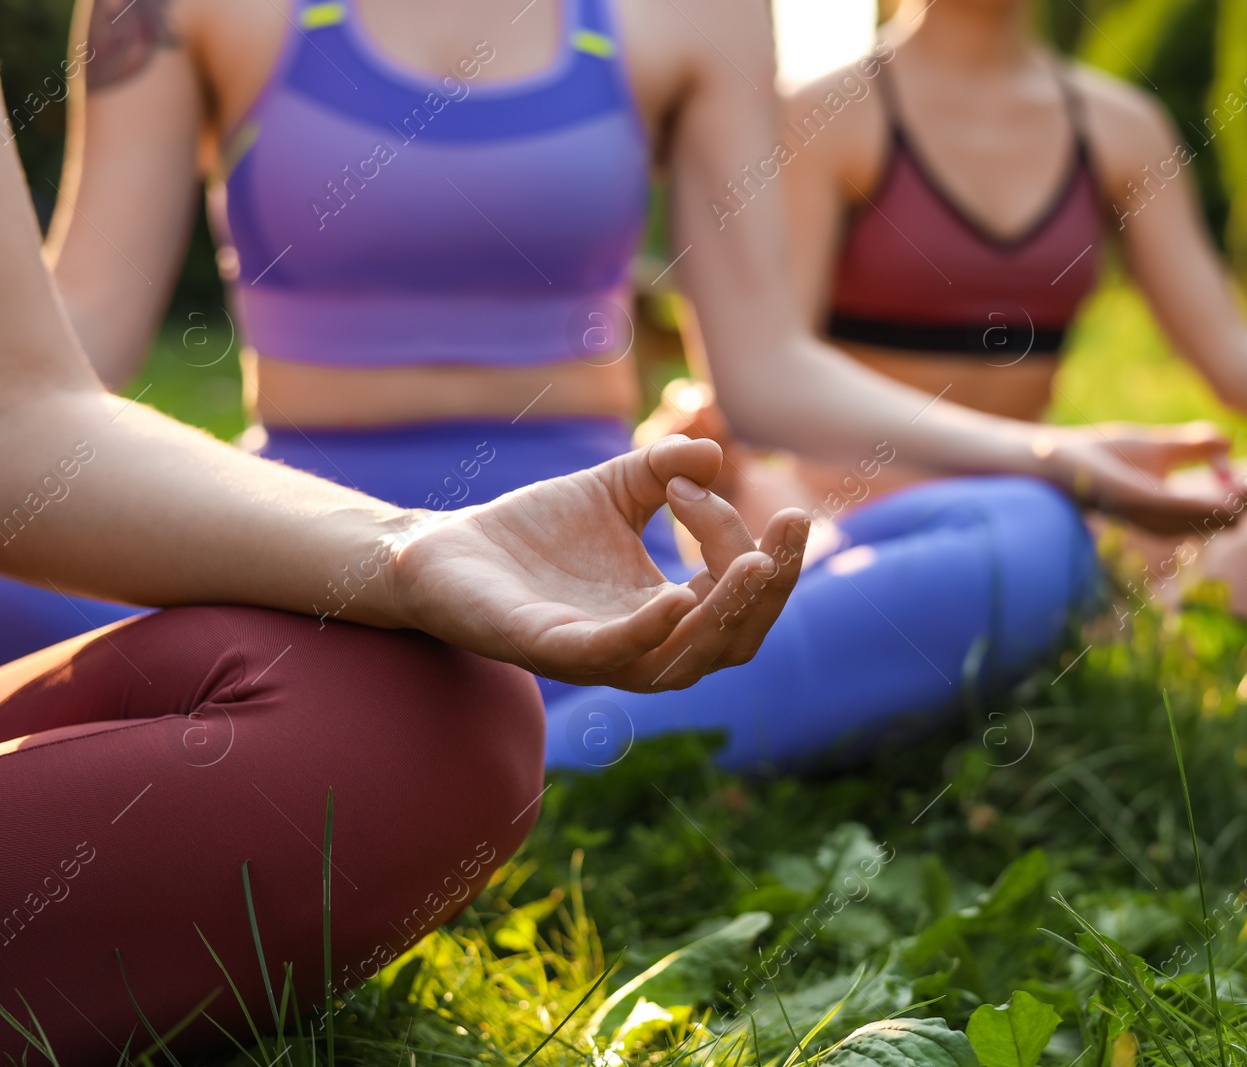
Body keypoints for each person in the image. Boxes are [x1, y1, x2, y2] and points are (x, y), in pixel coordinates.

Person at [33, 0, 1246, 772]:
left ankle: (466, 759)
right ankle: (485, 754)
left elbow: (764, 369)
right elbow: (67, 352)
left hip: (601, 581)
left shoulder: (696, 14)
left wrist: (1058, 458)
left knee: (1019, 534)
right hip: (288, 564)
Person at [0, 92, 805, 1061]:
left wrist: (406, 551)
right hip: (228, 548)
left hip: (413, 560)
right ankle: (601, 739)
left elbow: (22, 414)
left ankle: (576, 720)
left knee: (430, 718)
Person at [651, 0, 1247, 621]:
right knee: (811, 530)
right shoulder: (824, 116)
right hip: (860, 515)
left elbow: (1236, 355)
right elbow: (770, 363)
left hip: (1058, 492)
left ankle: (1149, 626)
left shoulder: (1117, 125)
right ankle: (1100, 618)